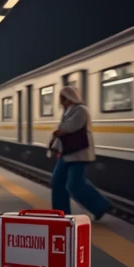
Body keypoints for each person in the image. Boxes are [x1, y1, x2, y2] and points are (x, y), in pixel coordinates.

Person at [50, 85, 111, 220]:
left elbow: (71, 127)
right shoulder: (67, 111)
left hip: (79, 154)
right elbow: (62, 131)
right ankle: (61, 214)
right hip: (67, 154)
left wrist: (58, 131)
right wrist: (55, 147)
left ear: (69, 98)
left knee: (74, 184)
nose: (59, 101)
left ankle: (101, 205)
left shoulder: (81, 110)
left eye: (62, 98)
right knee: (57, 182)